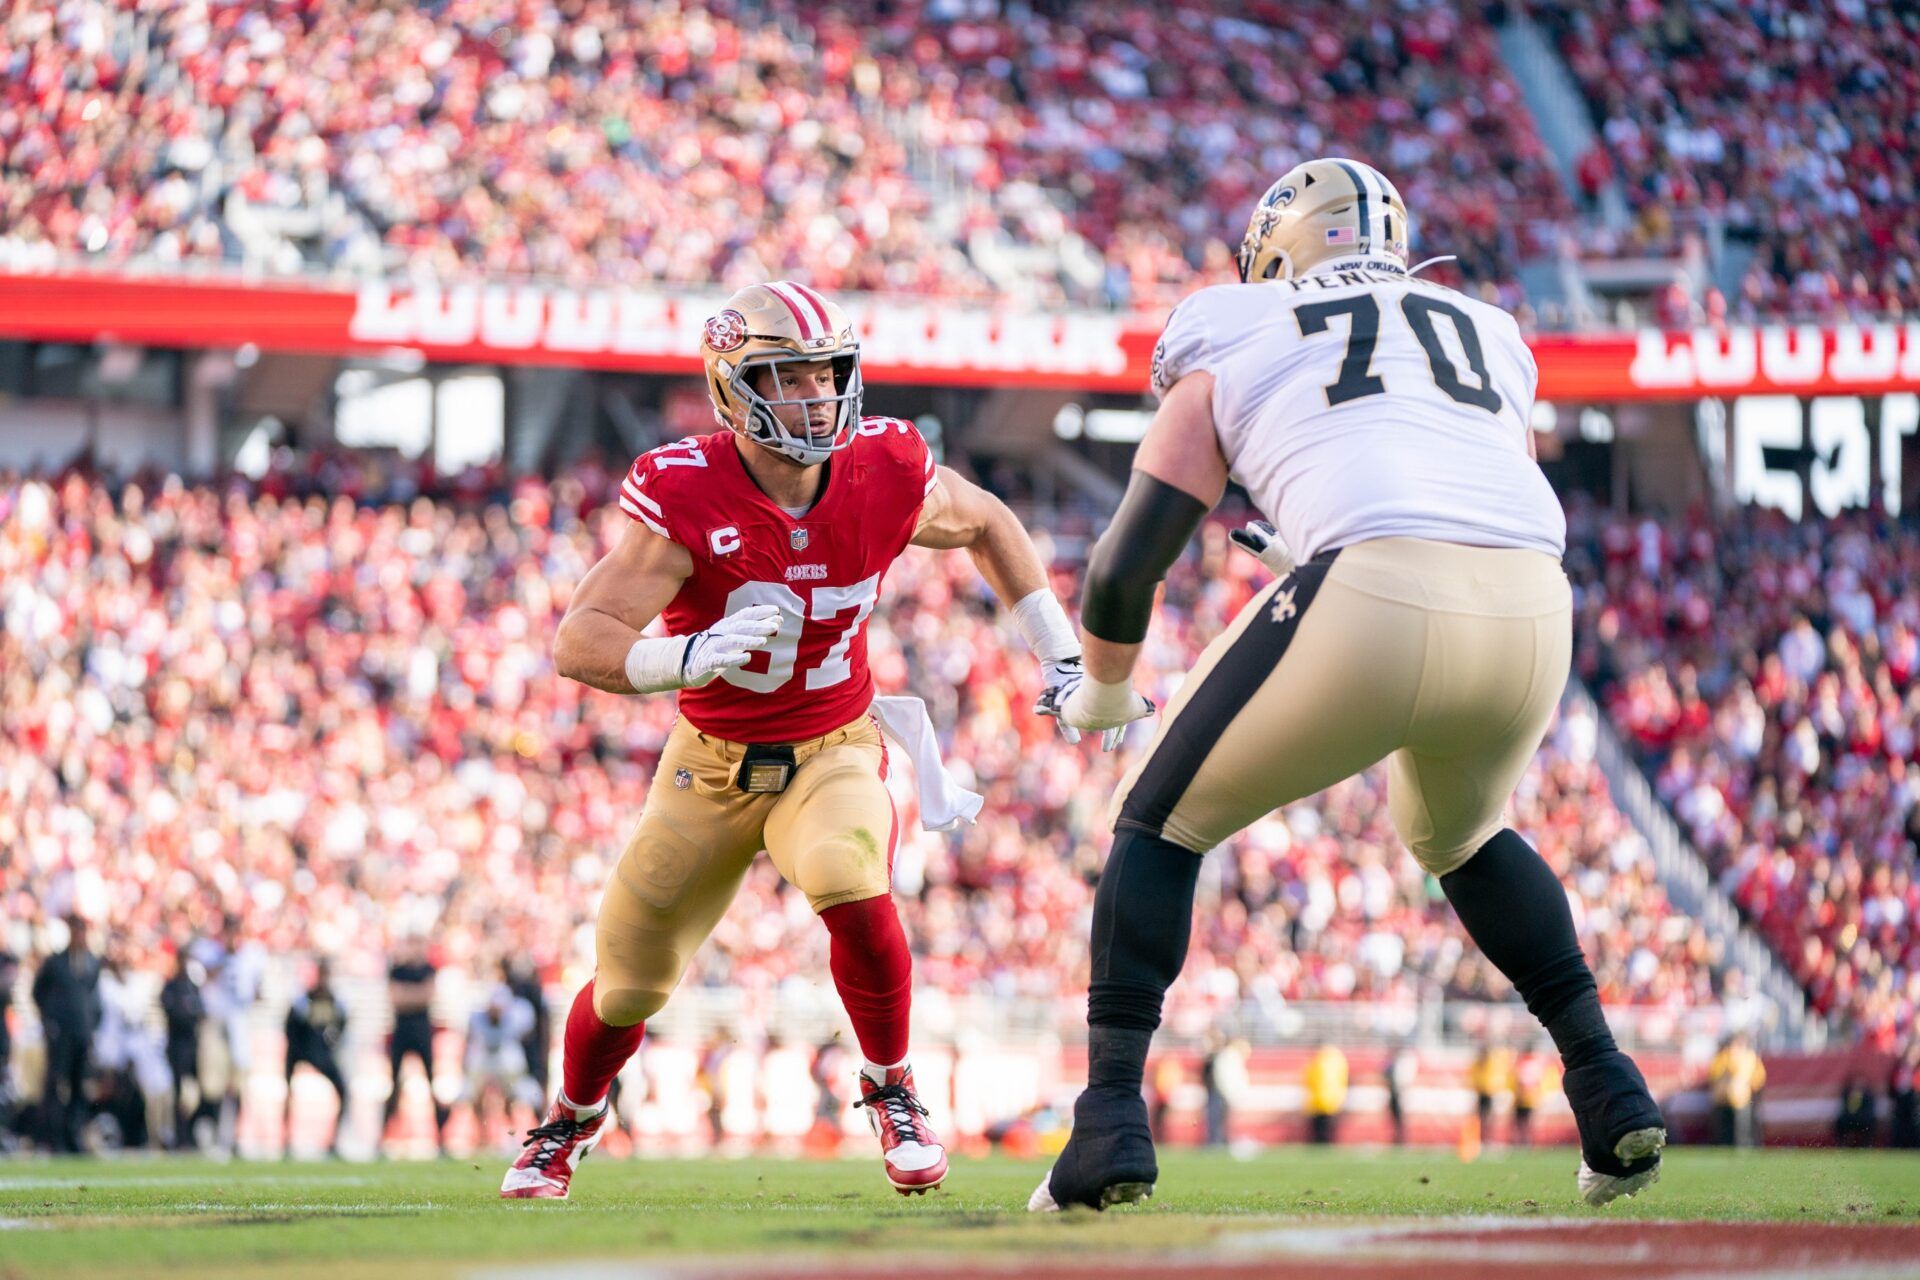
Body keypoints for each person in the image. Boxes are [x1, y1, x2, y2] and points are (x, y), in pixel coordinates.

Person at [1032, 158, 1665, 1211]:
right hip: (1534, 609)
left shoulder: (1229, 322)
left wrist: (1102, 686)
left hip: (1374, 591)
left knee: (1153, 823)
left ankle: (1107, 1120)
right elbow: (1443, 472)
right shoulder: (1489, 330)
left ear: (1277, 251)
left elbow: (1122, 563)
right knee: (1464, 835)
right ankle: (1605, 1081)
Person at [501, 280, 1085, 1199]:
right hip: (710, 765)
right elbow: (581, 640)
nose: (814, 398)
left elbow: (986, 522)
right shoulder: (687, 490)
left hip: (835, 746)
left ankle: (892, 1088)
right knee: (628, 983)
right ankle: (569, 1120)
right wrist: (680, 656)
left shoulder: (886, 466)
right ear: (734, 389)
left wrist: (1061, 654)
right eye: (787, 379)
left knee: (853, 880)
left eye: (826, 376)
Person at [32, 916, 101, 1152]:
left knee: (79, 1087)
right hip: (61, 1035)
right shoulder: (56, 963)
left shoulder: (91, 962)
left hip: (82, 1034)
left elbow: (93, 999)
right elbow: (38, 992)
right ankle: (54, 1138)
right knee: (57, 1086)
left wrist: (93, 1026)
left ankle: (74, 1137)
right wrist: (50, 1021)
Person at [384, 936, 448, 1154]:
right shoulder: (397, 969)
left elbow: (426, 996)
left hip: (421, 1033)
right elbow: (397, 998)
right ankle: (383, 1138)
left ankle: (441, 1139)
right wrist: (416, 995)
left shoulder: (427, 970)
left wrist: (408, 995)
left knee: (432, 1083)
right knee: (393, 1085)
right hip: (402, 1033)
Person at [284, 957, 350, 1156]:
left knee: (344, 1092)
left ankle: (333, 1141)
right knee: (289, 1093)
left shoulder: (335, 1001)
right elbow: (290, 1027)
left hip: (321, 1053)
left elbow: (341, 1026)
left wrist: (330, 1044)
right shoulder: (303, 999)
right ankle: (286, 1139)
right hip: (300, 1051)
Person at [464, 983, 538, 1147]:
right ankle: (480, 1136)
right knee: (476, 1096)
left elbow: (526, 1034)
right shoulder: (477, 1018)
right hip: (483, 1058)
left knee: (513, 1096)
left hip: (506, 1057)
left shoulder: (515, 1016)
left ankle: (512, 1134)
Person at [159, 950, 205, 1150]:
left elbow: (200, 1013)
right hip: (176, 1048)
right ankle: (179, 1135)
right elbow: (174, 1014)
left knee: (192, 1094)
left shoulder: (193, 988)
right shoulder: (170, 987)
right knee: (177, 1094)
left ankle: (189, 1134)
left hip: (191, 1048)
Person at [1707, 1031, 1766, 1148]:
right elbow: (1713, 1074)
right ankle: (1726, 1145)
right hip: (1723, 1099)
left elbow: (1759, 1077)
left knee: (1743, 1127)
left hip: (1742, 1099)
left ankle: (1744, 1146)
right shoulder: (1724, 1056)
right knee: (1725, 1127)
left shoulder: (1749, 1056)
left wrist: (1750, 1085)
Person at [1512, 1046, 1559, 1148]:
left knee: (1524, 1122)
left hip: (1526, 1097)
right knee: (1526, 1121)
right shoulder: (1534, 1063)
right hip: (1527, 1097)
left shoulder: (1524, 1063)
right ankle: (1526, 1142)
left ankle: (1525, 1141)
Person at [1302, 1043, 1348, 1145]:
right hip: (1326, 1100)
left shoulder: (1322, 1062)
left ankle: (1323, 1143)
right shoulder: (1333, 1061)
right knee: (1322, 1127)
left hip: (1324, 1100)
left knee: (1323, 1127)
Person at [1889, 1041, 1920, 1149]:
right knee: (1898, 1124)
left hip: (1915, 1102)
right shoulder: (1899, 1069)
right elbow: (1893, 1086)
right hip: (1901, 1101)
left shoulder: (1917, 1070)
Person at [1835, 1077, 1877, 1148]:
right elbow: (1844, 1109)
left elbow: (1868, 1110)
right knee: (1840, 1122)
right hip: (1849, 1119)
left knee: (1870, 1123)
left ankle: (1867, 1145)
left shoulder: (1868, 1096)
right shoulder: (1847, 1094)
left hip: (1862, 1119)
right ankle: (1842, 1145)